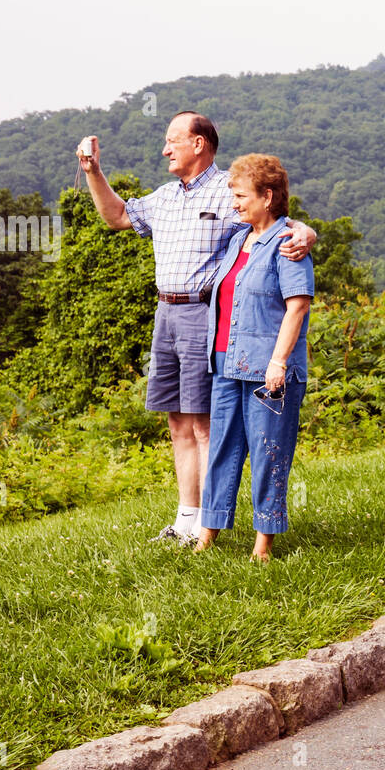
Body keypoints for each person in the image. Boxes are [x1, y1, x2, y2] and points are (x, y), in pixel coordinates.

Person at [76, 113, 316, 544]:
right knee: (177, 422)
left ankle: (211, 523)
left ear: (200, 144)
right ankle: (187, 520)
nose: (165, 150)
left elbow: (275, 218)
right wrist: (94, 172)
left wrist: (306, 231)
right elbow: (116, 217)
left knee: (206, 425)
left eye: (173, 141)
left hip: (204, 316)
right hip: (164, 314)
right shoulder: (165, 197)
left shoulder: (229, 191)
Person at [194, 154, 312, 560]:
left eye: (241, 195)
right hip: (226, 361)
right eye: (232, 194)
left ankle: (263, 544)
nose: (234, 202)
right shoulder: (235, 239)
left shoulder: (289, 245)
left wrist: (279, 362)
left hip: (269, 368)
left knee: (268, 451)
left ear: (267, 196)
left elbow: (297, 306)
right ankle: (207, 535)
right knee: (222, 449)